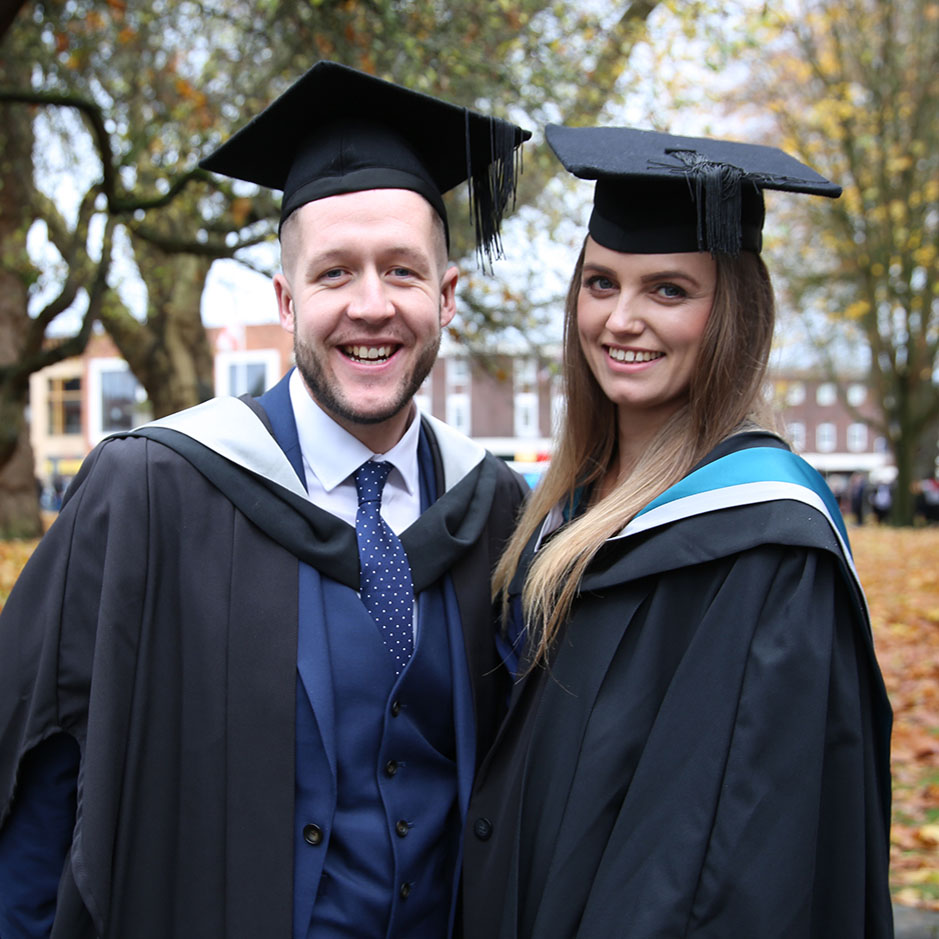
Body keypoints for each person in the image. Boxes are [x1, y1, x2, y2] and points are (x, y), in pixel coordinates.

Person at [0, 61, 529, 938]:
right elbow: (38, 779)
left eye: (402, 271)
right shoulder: (150, 492)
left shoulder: (497, 512)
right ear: (285, 300)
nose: (371, 306)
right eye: (333, 275)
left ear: (447, 298)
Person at [462, 126, 894, 938]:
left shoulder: (765, 545)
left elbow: (734, 860)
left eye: (667, 290)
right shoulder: (564, 510)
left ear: (731, 310)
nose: (620, 319)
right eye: (599, 283)